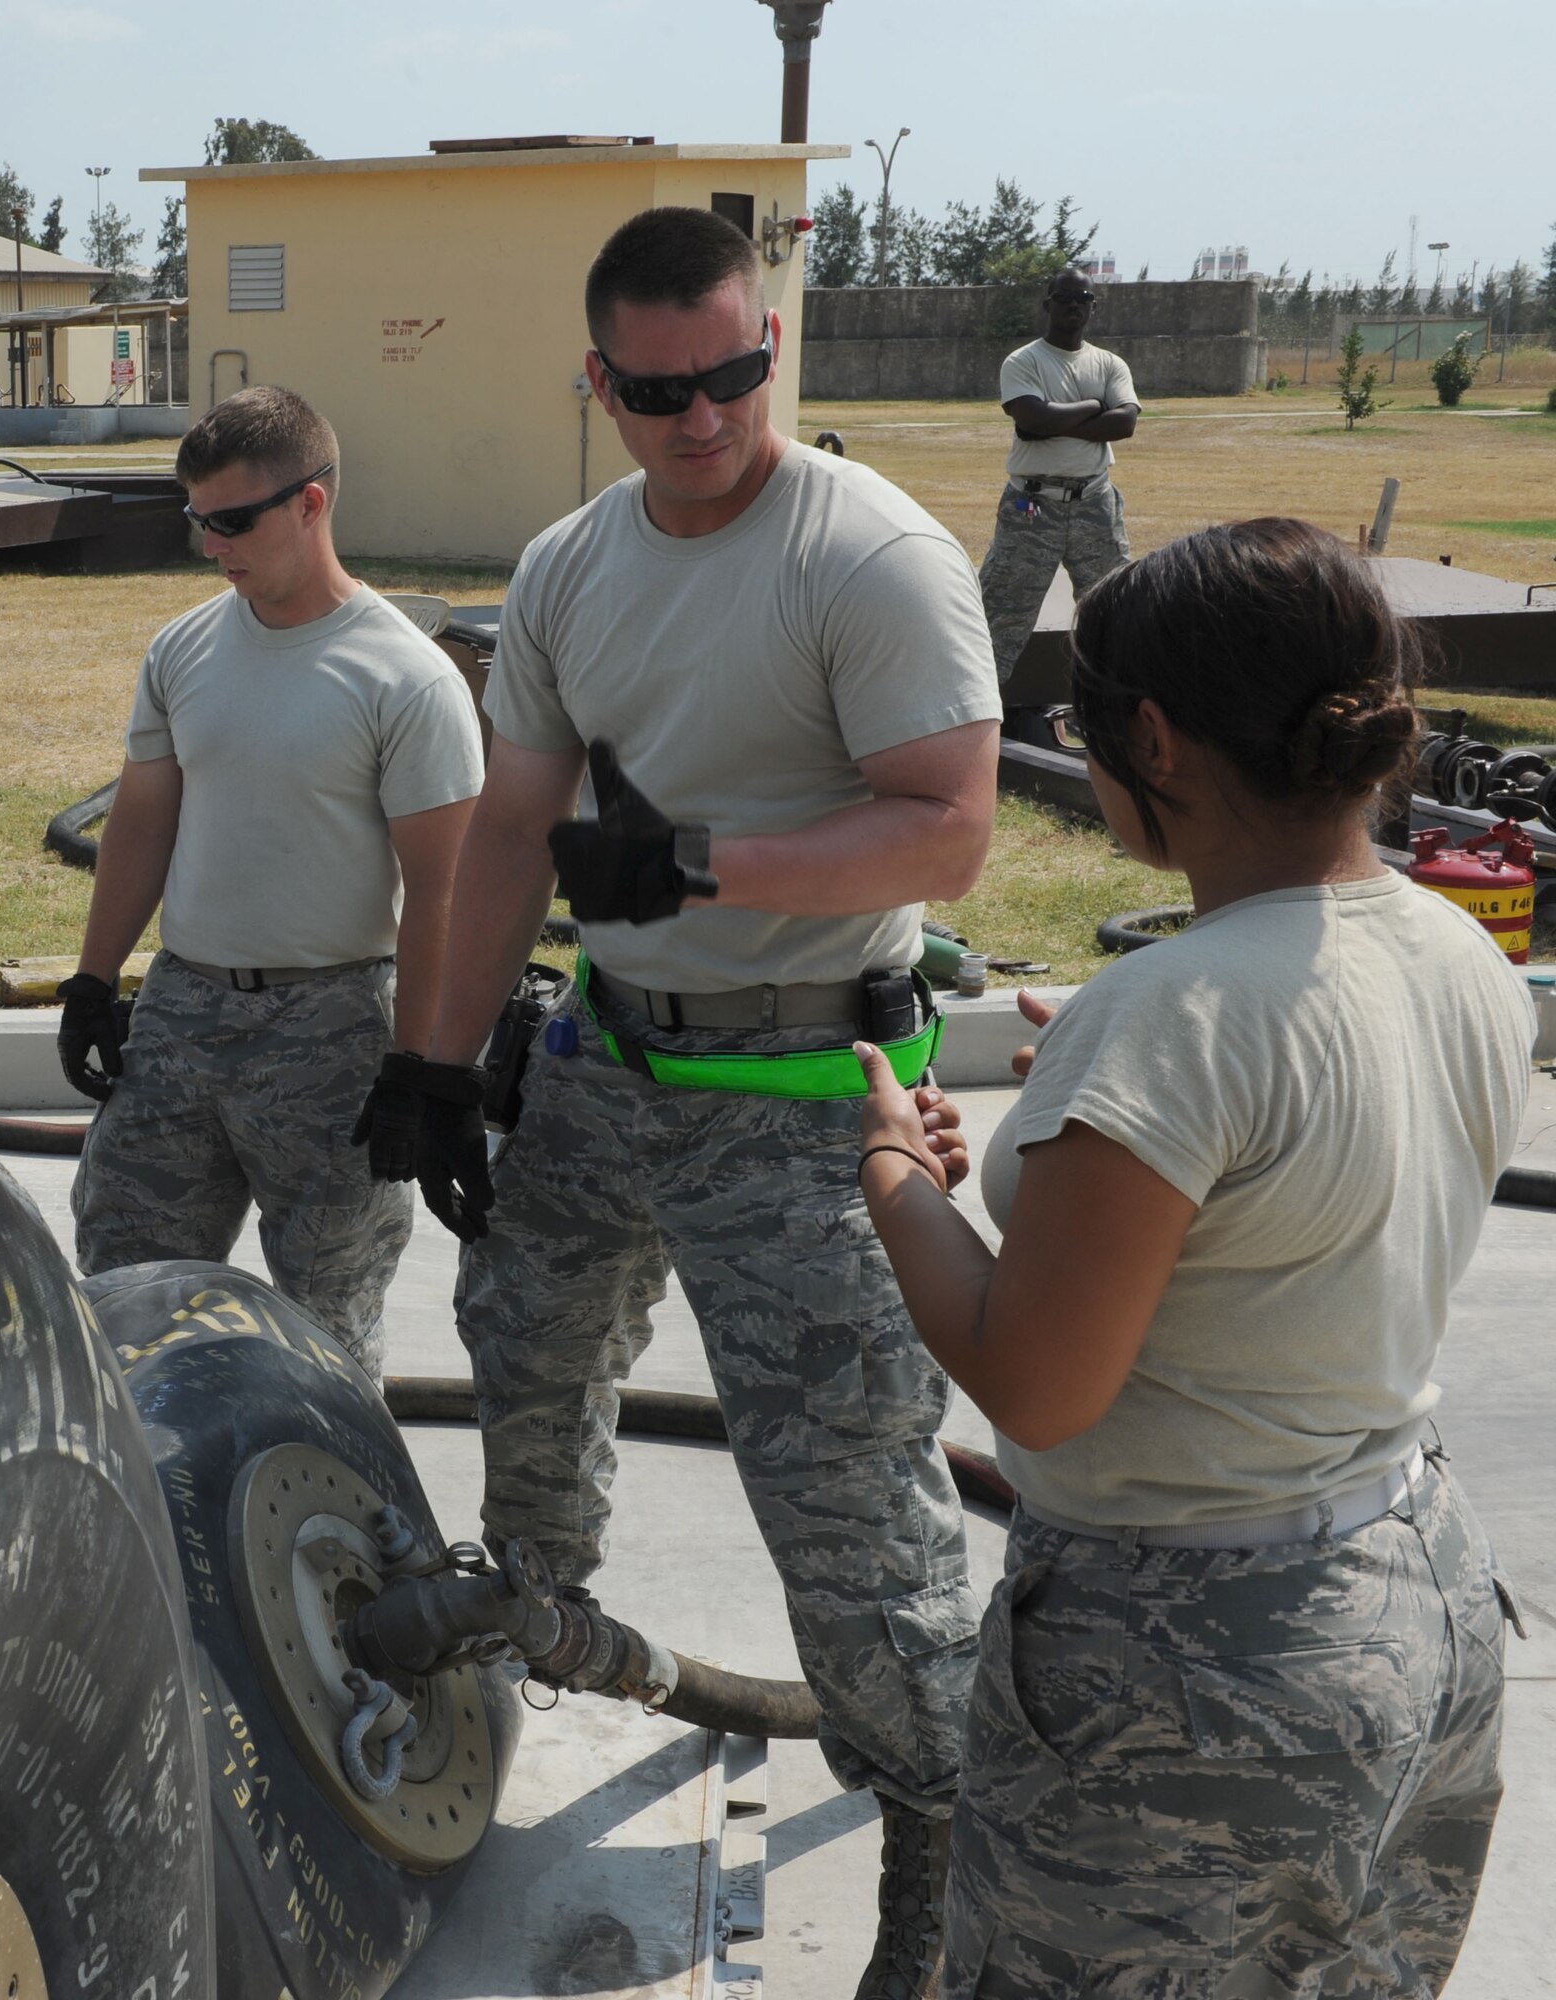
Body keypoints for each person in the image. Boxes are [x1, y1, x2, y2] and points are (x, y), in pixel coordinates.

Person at [375, 206, 1002, 1998]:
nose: (699, 419)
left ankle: (941, 1821)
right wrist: (439, 1055)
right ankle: (540, 1628)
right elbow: (508, 829)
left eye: (728, 376)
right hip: (607, 1060)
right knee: (529, 1342)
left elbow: (947, 824)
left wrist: (702, 858)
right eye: (657, 391)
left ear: (769, 353)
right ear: (601, 383)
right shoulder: (575, 565)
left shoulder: (864, 554)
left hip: (806, 1088)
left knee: (844, 1499)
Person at [852, 518, 1536, 1997]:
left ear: (1151, 738)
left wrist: (897, 1175)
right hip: (1417, 1601)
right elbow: (1291, 1203)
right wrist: (1108, 1122)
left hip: (1192, 1670)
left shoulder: (1172, 1016)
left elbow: (1038, 1388)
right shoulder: (1457, 951)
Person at [57, 386, 484, 1383]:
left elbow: (443, 893)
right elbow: (142, 822)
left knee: (325, 1321)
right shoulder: (184, 648)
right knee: (126, 1288)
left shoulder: (404, 679)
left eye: (233, 520)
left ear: (311, 503)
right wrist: (92, 978)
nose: (212, 544)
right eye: (197, 519)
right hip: (182, 1012)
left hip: (331, 1031)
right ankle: (157, 1518)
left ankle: (335, 1533)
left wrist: (418, 1067)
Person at [977, 271, 1138, 688]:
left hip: (1095, 504)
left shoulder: (1109, 364)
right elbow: (1031, 417)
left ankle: (1114, 704)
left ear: (1093, 307)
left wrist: (1052, 423)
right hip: (1031, 507)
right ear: (1047, 305)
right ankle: (979, 712)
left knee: (1114, 610)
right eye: (1063, 298)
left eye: (1082, 298)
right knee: (1002, 613)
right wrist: (1092, 407)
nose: (1073, 305)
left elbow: (1123, 424)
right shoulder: (1024, 361)